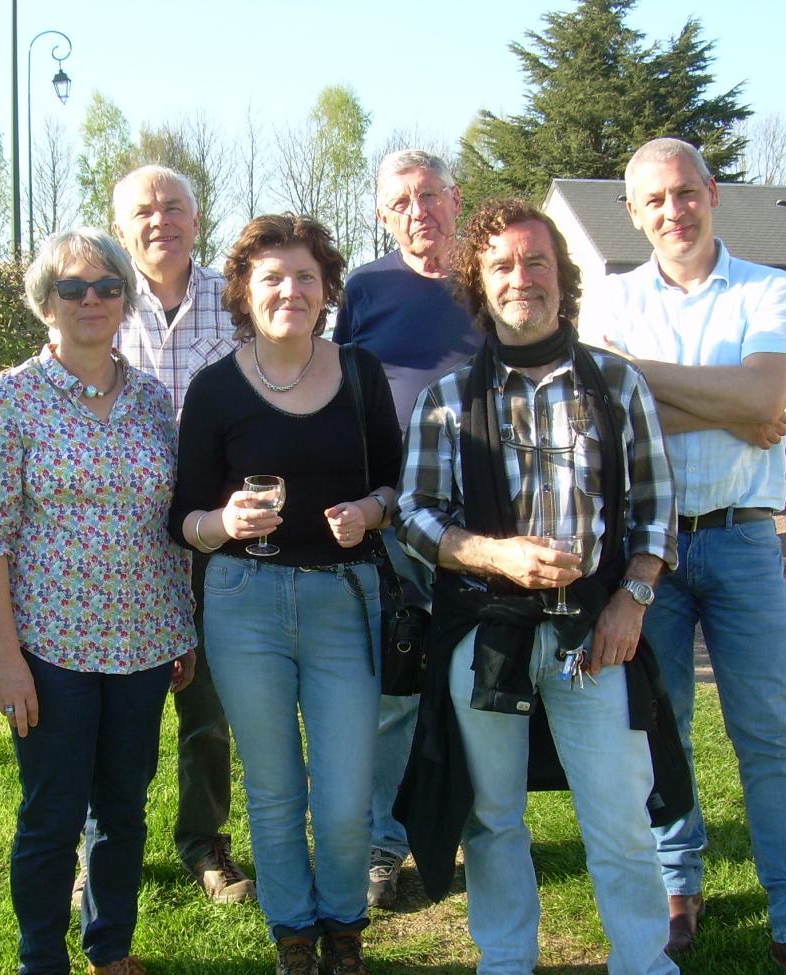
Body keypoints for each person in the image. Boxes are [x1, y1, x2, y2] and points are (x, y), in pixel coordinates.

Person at [395, 197, 679, 975]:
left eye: (536, 260)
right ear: (480, 287)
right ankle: (506, 960)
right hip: (487, 632)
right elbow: (415, 517)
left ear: (563, 275)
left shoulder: (617, 385)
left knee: (620, 817)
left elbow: (658, 511)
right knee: (492, 817)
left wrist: (633, 599)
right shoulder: (448, 400)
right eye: (502, 266)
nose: (522, 277)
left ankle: (644, 962)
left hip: (598, 634)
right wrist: (494, 554)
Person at [583, 137, 786, 974]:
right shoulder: (612, 299)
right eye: (653, 200)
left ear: (713, 192)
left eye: (684, 192)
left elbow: (769, 398)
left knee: (766, 733)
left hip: (741, 540)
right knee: (665, 733)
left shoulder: (769, 289)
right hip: (646, 552)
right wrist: (733, 403)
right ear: (632, 212)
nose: (672, 210)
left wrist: (642, 379)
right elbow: (607, 422)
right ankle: (678, 885)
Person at [169, 214, 402, 975]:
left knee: (343, 795)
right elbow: (183, 519)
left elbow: (396, 485)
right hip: (244, 602)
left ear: (326, 286)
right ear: (243, 291)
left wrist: (369, 511)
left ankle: (344, 924)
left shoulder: (361, 374)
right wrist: (223, 520)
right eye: (271, 277)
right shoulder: (214, 389)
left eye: (304, 276)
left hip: (345, 600)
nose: (290, 291)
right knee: (274, 790)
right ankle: (295, 935)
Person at [0, 228, 197, 975]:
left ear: (126, 297)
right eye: (72, 287)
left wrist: (181, 627)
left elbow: (171, 524)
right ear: (45, 303)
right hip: (49, 648)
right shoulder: (11, 399)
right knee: (52, 813)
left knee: (124, 807)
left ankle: (110, 945)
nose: (91, 298)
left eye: (106, 285)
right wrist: (7, 658)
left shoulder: (154, 401)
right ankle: (41, 958)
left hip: (142, 641)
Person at [332, 148, 482, 909]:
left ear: (456, 199)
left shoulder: (492, 272)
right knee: (397, 684)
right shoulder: (366, 287)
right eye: (400, 203)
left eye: (429, 195)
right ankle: (386, 843)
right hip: (394, 512)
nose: (418, 211)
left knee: (482, 679)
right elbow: (342, 388)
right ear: (383, 217)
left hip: (489, 514)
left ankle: (471, 832)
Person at [101, 164, 251, 904]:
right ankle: (97, 848)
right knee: (107, 712)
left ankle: (204, 841)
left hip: (213, 536)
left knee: (209, 709)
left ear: (198, 219)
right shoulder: (97, 303)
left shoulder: (237, 301)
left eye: (174, 207)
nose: (160, 219)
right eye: (143, 210)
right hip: (116, 546)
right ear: (121, 227)